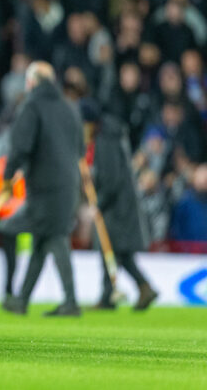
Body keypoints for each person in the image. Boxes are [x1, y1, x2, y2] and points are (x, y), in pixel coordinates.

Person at [1, 61, 82, 318]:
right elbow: (80, 147)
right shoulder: (68, 108)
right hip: (69, 184)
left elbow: (20, 145)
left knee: (55, 237)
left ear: (32, 81)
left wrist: (8, 175)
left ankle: (71, 301)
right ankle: (22, 299)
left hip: (44, 186)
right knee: (43, 239)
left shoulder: (32, 105)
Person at [79, 99, 159, 311]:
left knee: (113, 250)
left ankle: (118, 294)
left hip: (117, 206)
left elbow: (111, 179)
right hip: (121, 203)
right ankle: (134, 290)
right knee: (114, 251)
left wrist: (99, 204)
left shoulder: (106, 141)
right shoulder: (111, 135)